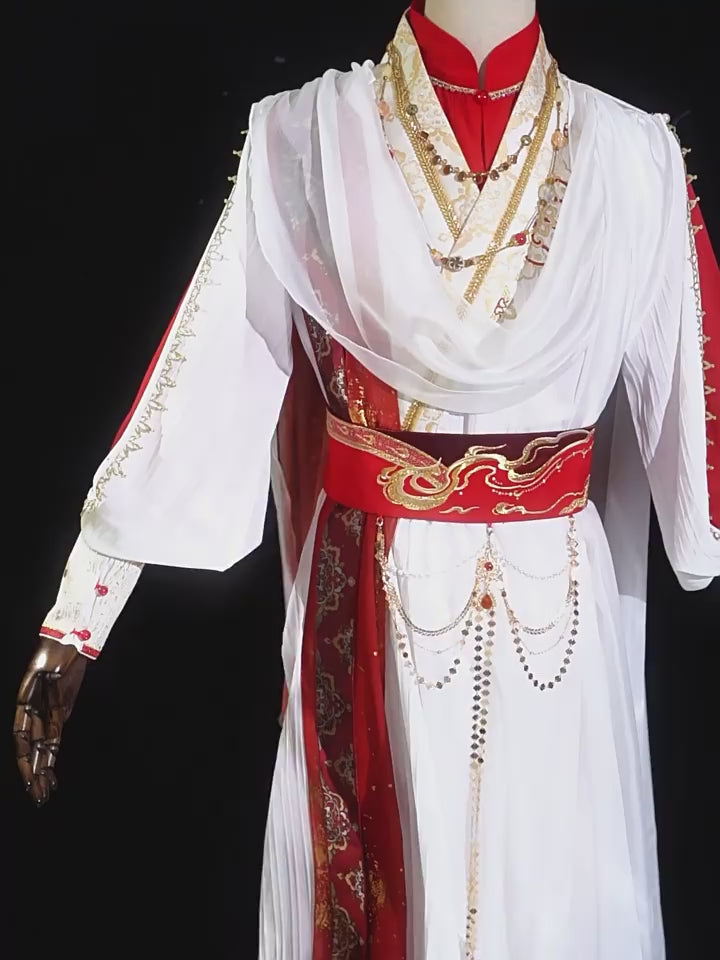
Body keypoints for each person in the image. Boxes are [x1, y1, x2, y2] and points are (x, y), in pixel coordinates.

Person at [14, 1, 719, 957]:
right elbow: (205, 374)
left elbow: (699, 420)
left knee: (553, 896)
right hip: (371, 595)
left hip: (554, 611)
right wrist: (80, 618)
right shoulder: (304, 137)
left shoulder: (635, 156)